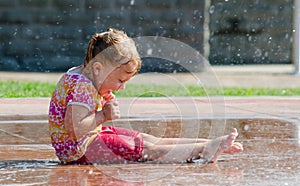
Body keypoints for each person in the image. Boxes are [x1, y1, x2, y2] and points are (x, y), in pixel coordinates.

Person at [48, 28, 243, 165]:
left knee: (144, 139)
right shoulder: (83, 86)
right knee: (145, 149)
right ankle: (204, 149)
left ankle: (207, 144)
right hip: (79, 151)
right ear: (98, 68)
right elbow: (74, 129)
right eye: (120, 80)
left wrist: (101, 104)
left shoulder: (82, 75)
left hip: (87, 140)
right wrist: (103, 115)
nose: (121, 88)